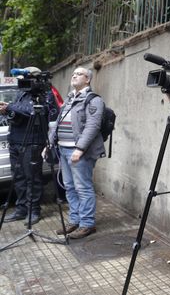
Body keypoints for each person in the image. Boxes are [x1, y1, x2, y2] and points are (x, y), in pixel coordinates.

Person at [49, 67, 105, 239]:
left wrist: (79, 149)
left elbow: (93, 126)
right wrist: (49, 143)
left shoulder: (93, 100)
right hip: (63, 149)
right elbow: (58, 122)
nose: (74, 75)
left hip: (78, 152)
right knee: (70, 187)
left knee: (83, 187)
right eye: (73, 73)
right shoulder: (69, 98)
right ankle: (75, 220)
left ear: (87, 79)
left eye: (79, 74)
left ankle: (87, 224)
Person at [0, 66, 59, 225]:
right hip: (15, 140)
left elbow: (33, 110)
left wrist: (10, 107)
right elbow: (20, 114)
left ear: (34, 78)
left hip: (33, 141)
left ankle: (34, 210)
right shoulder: (22, 92)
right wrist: (8, 111)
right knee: (18, 176)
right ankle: (21, 209)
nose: (21, 81)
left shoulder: (44, 93)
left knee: (32, 177)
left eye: (25, 78)